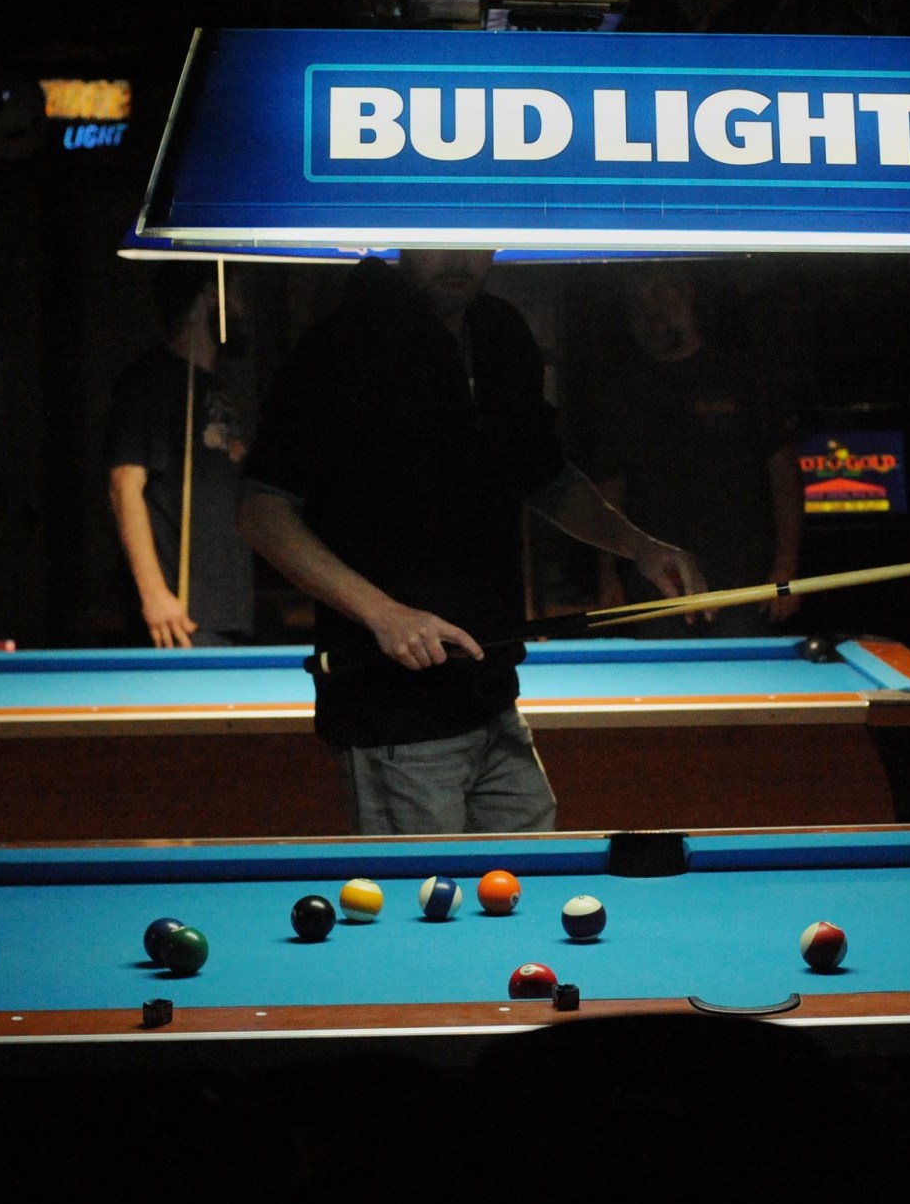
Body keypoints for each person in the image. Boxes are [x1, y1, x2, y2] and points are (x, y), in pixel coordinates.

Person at [237, 250, 705, 835]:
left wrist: (637, 545)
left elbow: (547, 479)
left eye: (471, 237)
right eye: (437, 239)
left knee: (529, 885)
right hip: (392, 710)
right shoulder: (342, 343)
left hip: (493, 696)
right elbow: (261, 510)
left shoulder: (501, 331)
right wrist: (382, 613)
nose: (457, 257)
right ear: (402, 239)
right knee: (423, 907)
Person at [590, 265, 803, 638]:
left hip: (743, 584)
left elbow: (784, 473)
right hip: (657, 588)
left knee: (743, 692)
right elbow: (610, 489)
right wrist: (607, 574)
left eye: (658, 292)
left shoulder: (741, 375)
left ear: (688, 293)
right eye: (638, 298)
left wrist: (786, 568)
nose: (648, 306)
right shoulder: (623, 391)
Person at [106, 264, 256, 647]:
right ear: (210, 295)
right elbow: (125, 485)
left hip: (226, 611)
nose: (244, 307)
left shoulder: (212, 386)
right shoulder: (151, 381)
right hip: (179, 616)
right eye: (235, 294)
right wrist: (154, 594)